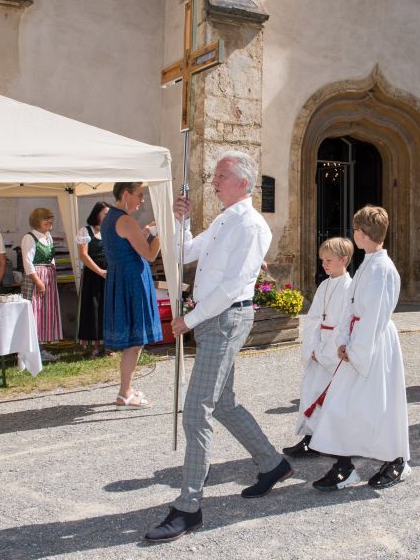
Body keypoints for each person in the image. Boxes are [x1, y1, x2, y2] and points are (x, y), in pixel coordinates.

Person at [144, 151, 290, 544]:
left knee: (196, 411)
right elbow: (184, 253)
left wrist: (189, 320)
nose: (214, 182)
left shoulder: (252, 226)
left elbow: (232, 286)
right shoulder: (225, 219)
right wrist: (183, 221)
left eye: (221, 175)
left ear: (243, 182)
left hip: (224, 320)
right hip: (213, 320)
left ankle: (189, 507)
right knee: (223, 404)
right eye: (215, 176)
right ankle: (273, 463)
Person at [306, 205, 410, 491]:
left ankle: (396, 461)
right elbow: (350, 309)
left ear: (363, 234)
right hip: (356, 341)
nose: (353, 234)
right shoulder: (367, 263)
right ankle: (345, 466)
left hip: (373, 344)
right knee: (341, 403)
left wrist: (355, 349)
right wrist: (342, 340)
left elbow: (374, 316)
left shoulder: (382, 269)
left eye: (355, 230)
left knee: (378, 404)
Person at [283, 236, 353, 458]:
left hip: (333, 349)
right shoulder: (324, 284)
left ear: (344, 260)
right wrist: (312, 347)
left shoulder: (350, 288)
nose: (324, 264)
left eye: (328, 260)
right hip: (318, 345)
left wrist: (326, 351)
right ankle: (310, 438)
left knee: (331, 396)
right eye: (322, 260)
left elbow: (344, 324)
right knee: (310, 390)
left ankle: (332, 441)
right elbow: (313, 317)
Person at [102, 185, 162, 409]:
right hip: (132, 281)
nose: (142, 200)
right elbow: (149, 254)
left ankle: (126, 388)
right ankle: (125, 393)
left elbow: (127, 245)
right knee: (135, 341)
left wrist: (145, 231)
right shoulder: (126, 220)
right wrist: (163, 233)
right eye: (139, 195)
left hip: (122, 278)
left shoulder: (110, 217)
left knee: (133, 339)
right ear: (126, 194)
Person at [20, 208, 62, 362]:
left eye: (50, 218)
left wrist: (51, 276)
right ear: (37, 221)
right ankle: (32, 351)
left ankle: (41, 349)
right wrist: (38, 281)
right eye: (46, 218)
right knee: (35, 313)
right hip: (35, 278)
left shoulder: (48, 236)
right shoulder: (29, 238)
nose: (49, 221)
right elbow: (27, 262)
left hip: (48, 277)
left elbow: (51, 258)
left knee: (45, 313)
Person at [77, 201, 110, 357]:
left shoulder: (109, 230)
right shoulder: (85, 231)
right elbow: (83, 255)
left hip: (108, 272)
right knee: (93, 307)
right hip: (93, 273)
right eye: (105, 213)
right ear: (97, 214)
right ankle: (94, 346)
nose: (108, 216)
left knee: (108, 306)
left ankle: (108, 344)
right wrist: (100, 271)